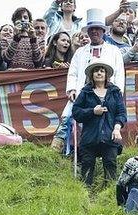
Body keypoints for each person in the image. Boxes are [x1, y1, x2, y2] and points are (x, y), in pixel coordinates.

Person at [52, 8, 125, 154]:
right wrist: (72, 89)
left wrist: (116, 94)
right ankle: (61, 150)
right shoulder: (80, 52)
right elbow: (72, 72)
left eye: (98, 29)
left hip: (106, 94)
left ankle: (97, 152)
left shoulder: (113, 51)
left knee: (101, 123)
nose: (94, 32)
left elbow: (119, 74)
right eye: (92, 30)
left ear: (103, 31)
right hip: (82, 93)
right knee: (68, 117)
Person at [72, 59, 126, 186]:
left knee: (110, 164)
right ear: (91, 75)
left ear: (107, 74)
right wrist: (92, 111)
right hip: (89, 136)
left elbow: (121, 113)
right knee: (87, 165)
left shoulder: (115, 92)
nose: (99, 73)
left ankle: (110, 196)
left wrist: (117, 128)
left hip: (109, 136)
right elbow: (76, 112)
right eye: (96, 71)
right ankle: (86, 196)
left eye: (102, 71)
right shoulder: (85, 92)